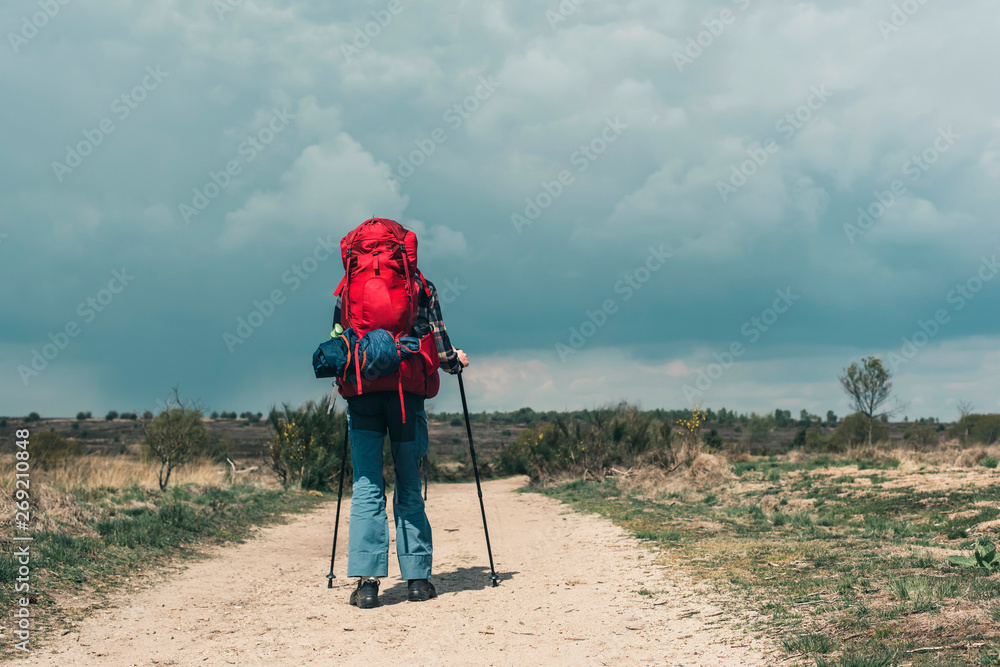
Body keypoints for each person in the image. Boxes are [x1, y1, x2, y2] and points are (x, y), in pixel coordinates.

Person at [332, 260, 469, 609]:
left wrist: (344, 378)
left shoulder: (349, 287)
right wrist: (456, 361)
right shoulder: (421, 286)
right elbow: (439, 345)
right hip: (407, 395)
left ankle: (366, 585)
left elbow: (338, 340)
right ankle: (418, 582)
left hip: (363, 393)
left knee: (366, 485)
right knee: (408, 483)